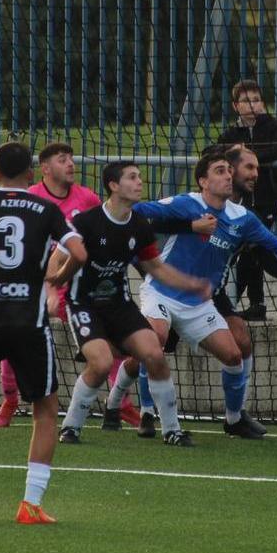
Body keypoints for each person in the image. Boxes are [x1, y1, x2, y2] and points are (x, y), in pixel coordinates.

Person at [0, 141, 87, 524]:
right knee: (44, 411)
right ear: (30, 174)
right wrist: (56, 278)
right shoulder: (47, 208)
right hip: (30, 324)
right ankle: (30, 504)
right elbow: (81, 253)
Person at [131, 152, 277, 439]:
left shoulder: (242, 218)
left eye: (230, 171)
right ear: (203, 181)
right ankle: (150, 413)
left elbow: (273, 244)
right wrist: (189, 226)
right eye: (220, 171)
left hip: (199, 303)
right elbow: (139, 213)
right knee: (154, 341)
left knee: (233, 355)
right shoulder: (186, 203)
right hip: (162, 292)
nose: (228, 176)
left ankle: (233, 419)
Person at [50, 161, 209, 447]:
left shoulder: (139, 225)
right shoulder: (86, 222)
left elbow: (155, 268)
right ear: (113, 185)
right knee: (101, 363)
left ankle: (171, 430)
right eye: (132, 177)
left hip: (119, 304)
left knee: (155, 355)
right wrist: (51, 290)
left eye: (140, 177)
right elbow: (57, 261)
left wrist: (191, 284)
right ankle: (71, 426)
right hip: (84, 303)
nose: (139, 182)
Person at [0, 142, 132, 427]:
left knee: (110, 333)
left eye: (71, 159)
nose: (70, 164)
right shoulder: (30, 198)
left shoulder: (88, 198)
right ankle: (10, 398)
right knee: (10, 330)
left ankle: (122, 404)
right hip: (32, 284)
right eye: (62, 159)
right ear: (44, 169)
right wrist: (47, 289)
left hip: (76, 283)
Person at [216, 80, 277, 322]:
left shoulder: (273, 126)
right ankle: (232, 300)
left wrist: (247, 154)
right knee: (237, 249)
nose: (253, 105)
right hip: (241, 203)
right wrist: (237, 152)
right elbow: (217, 151)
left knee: (255, 250)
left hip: (267, 200)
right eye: (247, 101)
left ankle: (255, 302)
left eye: (256, 100)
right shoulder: (231, 133)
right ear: (236, 106)